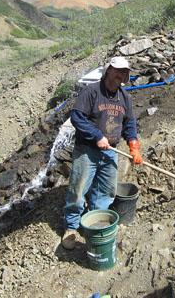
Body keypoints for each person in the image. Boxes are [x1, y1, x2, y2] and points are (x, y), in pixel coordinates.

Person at [62, 56, 143, 250]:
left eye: (125, 72)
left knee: (106, 191)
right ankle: (71, 227)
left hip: (110, 152)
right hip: (87, 150)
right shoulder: (92, 92)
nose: (121, 75)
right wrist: (97, 135)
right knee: (78, 190)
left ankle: (94, 221)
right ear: (108, 70)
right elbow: (77, 117)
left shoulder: (124, 97)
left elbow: (129, 123)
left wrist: (134, 145)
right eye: (118, 70)